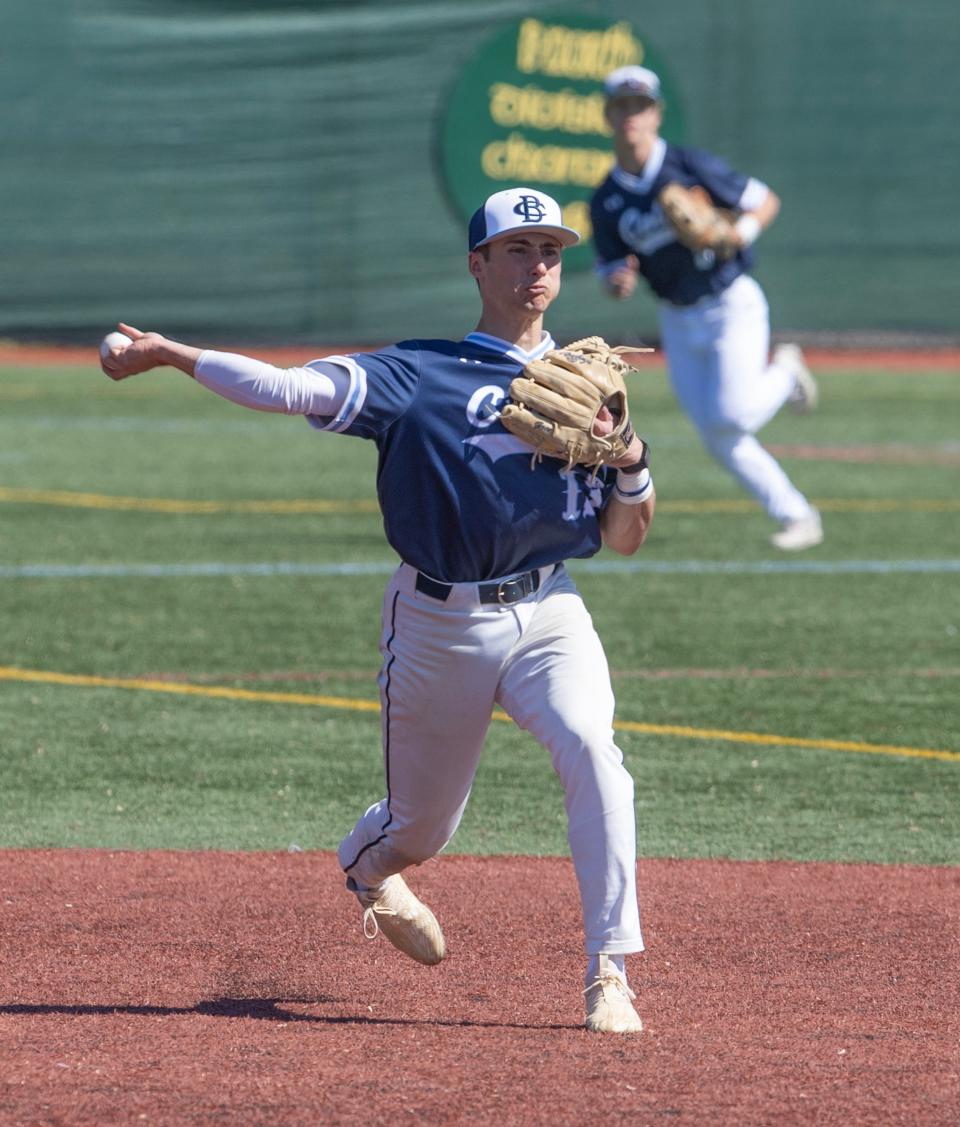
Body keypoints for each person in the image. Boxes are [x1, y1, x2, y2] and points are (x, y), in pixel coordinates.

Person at [100, 186, 656, 1034]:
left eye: (550, 250)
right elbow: (286, 390)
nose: (538, 265)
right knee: (422, 827)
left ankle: (608, 970)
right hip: (438, 622)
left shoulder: (590, 383)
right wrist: (177, 354)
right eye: (517, 249)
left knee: (595, 752)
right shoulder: (417, 372)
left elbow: (625, 537)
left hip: (550, 611)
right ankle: (369, 866)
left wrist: (632, 456)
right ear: (478, 264)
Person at [590, 65, 823, 551]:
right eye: (622, 106)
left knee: (732, 416)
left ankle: (784, 368)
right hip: (676, 317)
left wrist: (740, 232)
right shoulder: (607, 200)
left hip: (729, 303)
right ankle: (798, 515)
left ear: (655, 114)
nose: (631, 115)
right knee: (718, 436)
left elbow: (763, 200)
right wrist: (619, 282)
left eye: (640, 105)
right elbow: (611, 273)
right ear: (608, 115)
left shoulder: (687, 165)